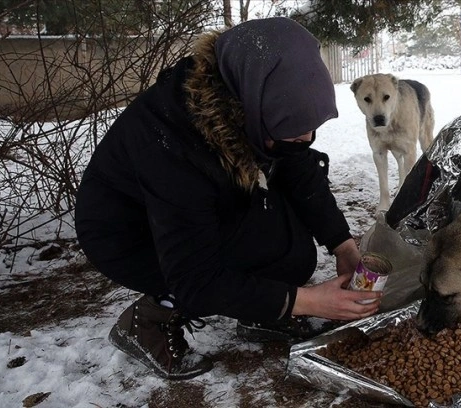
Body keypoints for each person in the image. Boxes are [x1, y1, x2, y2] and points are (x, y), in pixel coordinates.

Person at [74, 17, 383, 381]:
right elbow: (196, 276)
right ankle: (148, 321)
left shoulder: (250, 95)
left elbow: (298, 171)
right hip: (129, 234)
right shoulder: (174, 141)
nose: (306, 138)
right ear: (254, 104)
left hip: (203, 204)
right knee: (218, 270)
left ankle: (261, 313)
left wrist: (342, 245)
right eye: (289, 131)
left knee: (292, 251)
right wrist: (308, 301)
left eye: (310, 131)